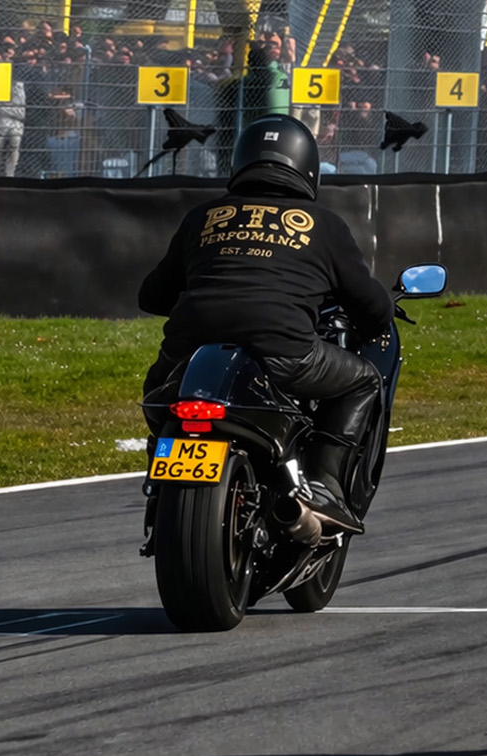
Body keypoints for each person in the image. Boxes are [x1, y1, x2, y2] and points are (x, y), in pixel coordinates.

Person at [138, 115, 394, 533]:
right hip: (283, 354)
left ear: (240, 162)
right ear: (307, 167)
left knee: (159, 396)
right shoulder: (324, 225)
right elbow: (370, 306)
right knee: (364, 380)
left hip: (186, 356)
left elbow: (151, 297)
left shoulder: (204, 217)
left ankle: (164, 468)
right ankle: (326, 484)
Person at [0, 79, 26, 178]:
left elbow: (21, 113)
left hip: (15, 125)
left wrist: (3, 108)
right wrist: (12, 110)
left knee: (14, 146)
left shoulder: (18, 87)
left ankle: (10, 175)